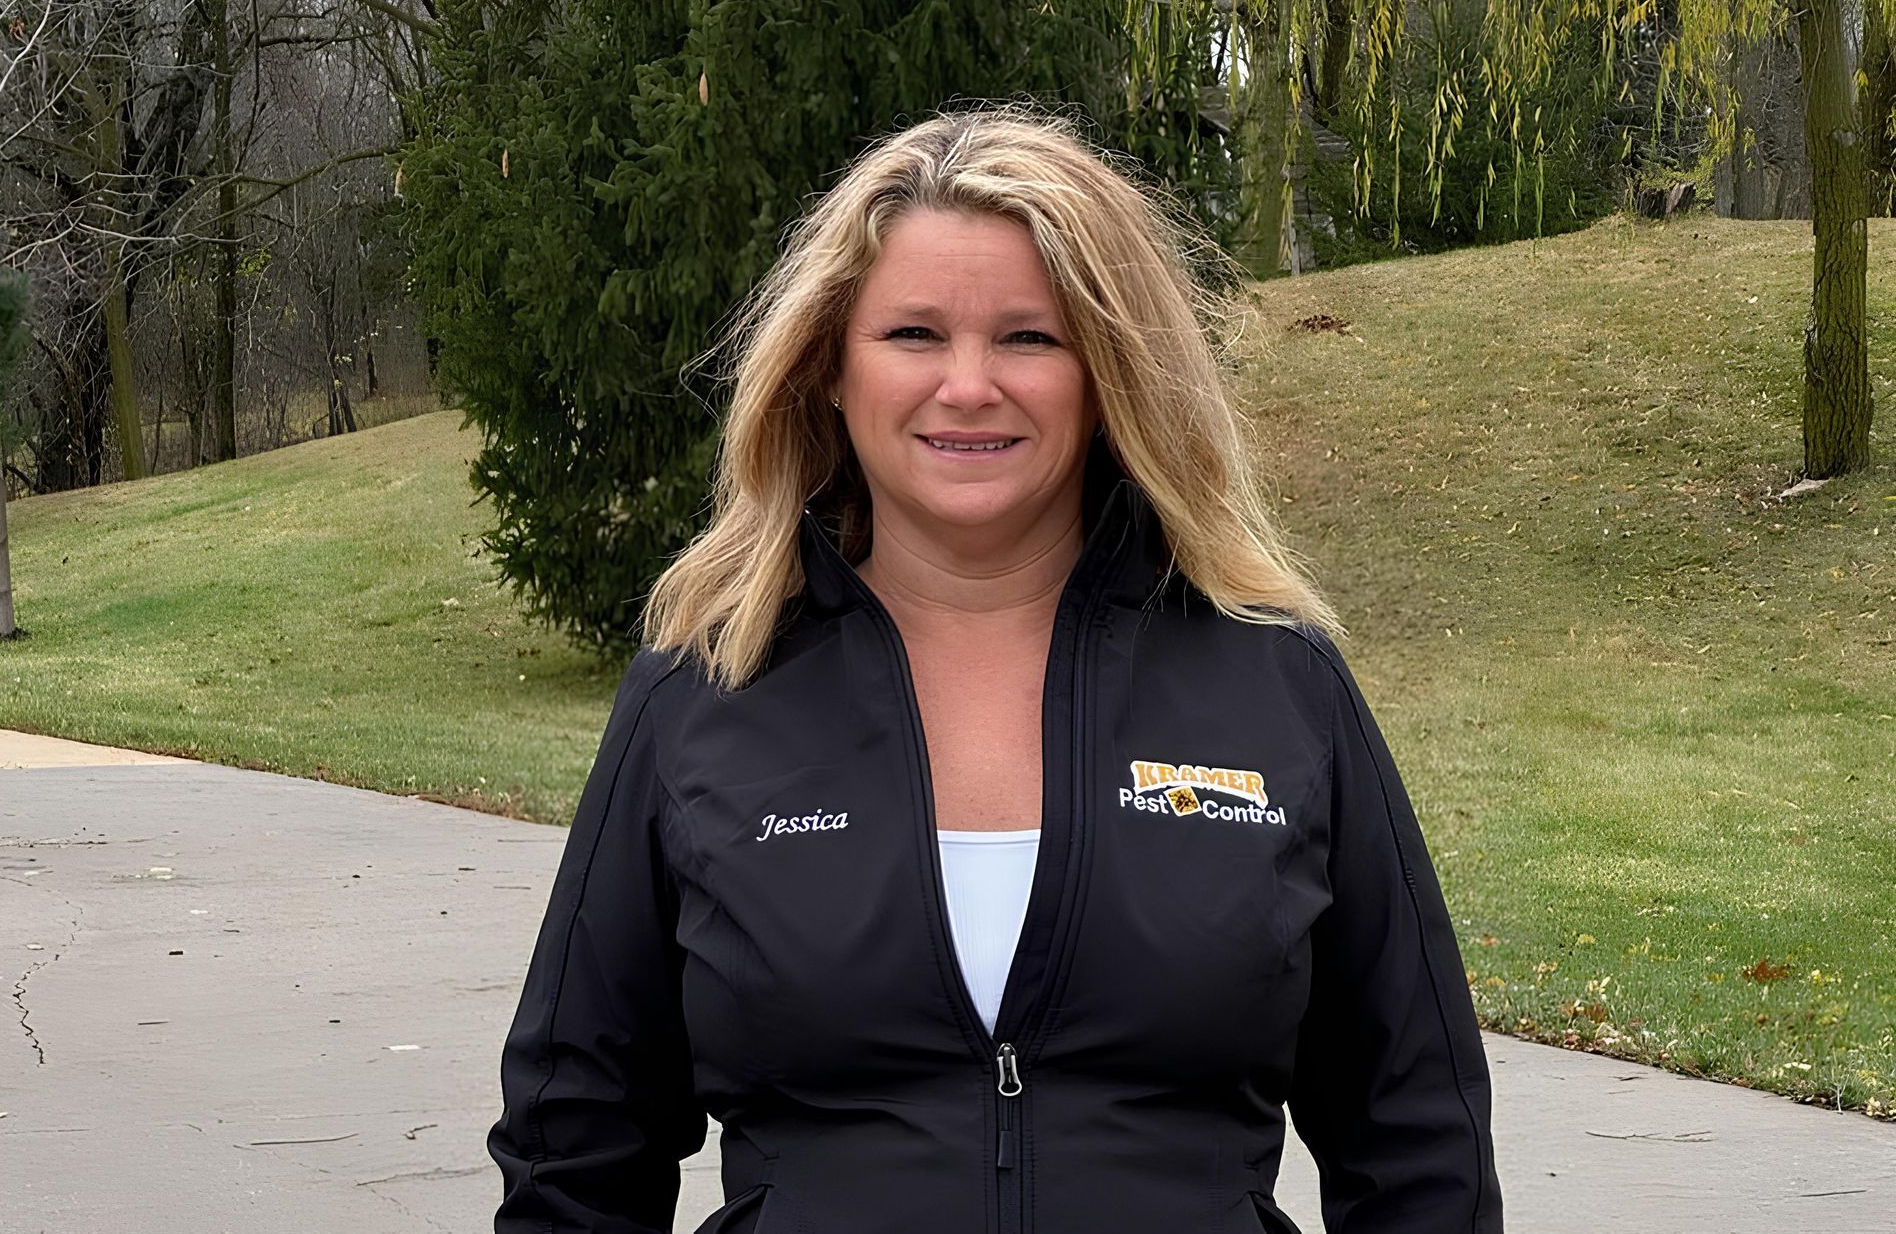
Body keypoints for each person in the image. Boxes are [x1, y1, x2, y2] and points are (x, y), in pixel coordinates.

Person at [487, 104, 1503, 1234]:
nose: (968, 386)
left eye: (1029, 337)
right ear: (831, 369)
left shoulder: (1279, 687)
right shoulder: (703, 693)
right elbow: (576, 1151)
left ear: (1109, 372)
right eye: (913, 334)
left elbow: (1419, 1139)